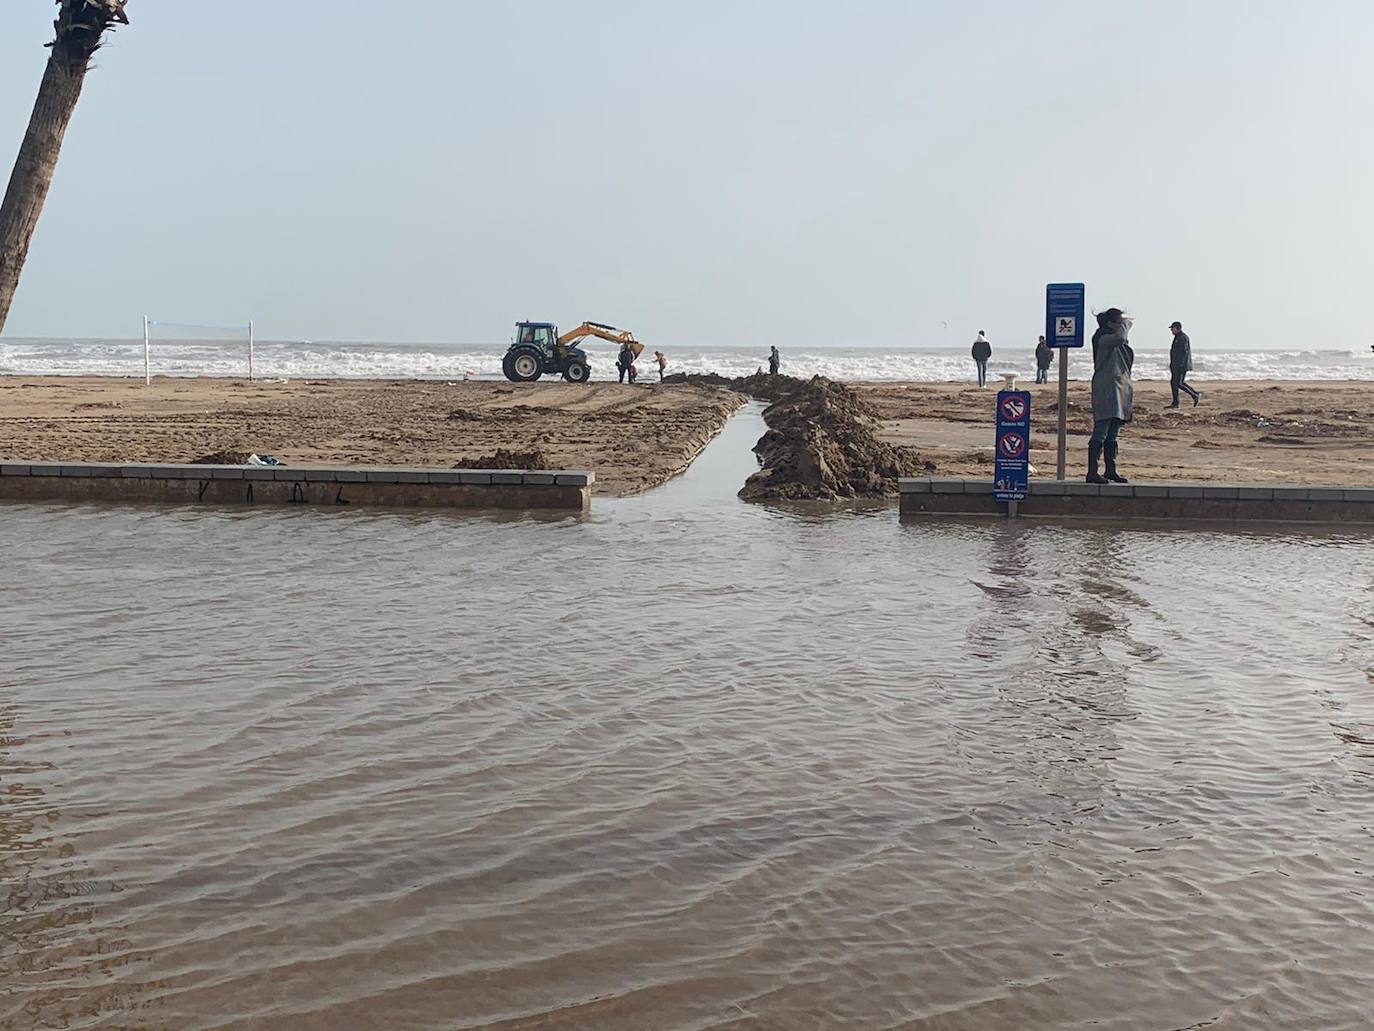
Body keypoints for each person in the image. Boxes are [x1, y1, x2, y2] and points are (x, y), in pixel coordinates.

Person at [1087, 308, 1134, 484]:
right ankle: (1092, 472)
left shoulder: (1113, 341)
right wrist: (1127, 323)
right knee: (1101, 431)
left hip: (1119, 388)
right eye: (1119, 322)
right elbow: (1121, 337)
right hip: (1106, 388)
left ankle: (1110, 469)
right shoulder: (1103, 338)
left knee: (1113, 433)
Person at [1168, 321, 1200, 408]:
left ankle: (1195, 395)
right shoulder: (1177, 337)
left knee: (1178, 383)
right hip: (1176, 365)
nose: (1171, 330)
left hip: (1181, 366)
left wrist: (1181, 364)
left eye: (1172, 328)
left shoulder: (1182, 337)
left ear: (1177, 328)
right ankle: (1176, 403)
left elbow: (1184, 353)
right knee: (1176, 383)